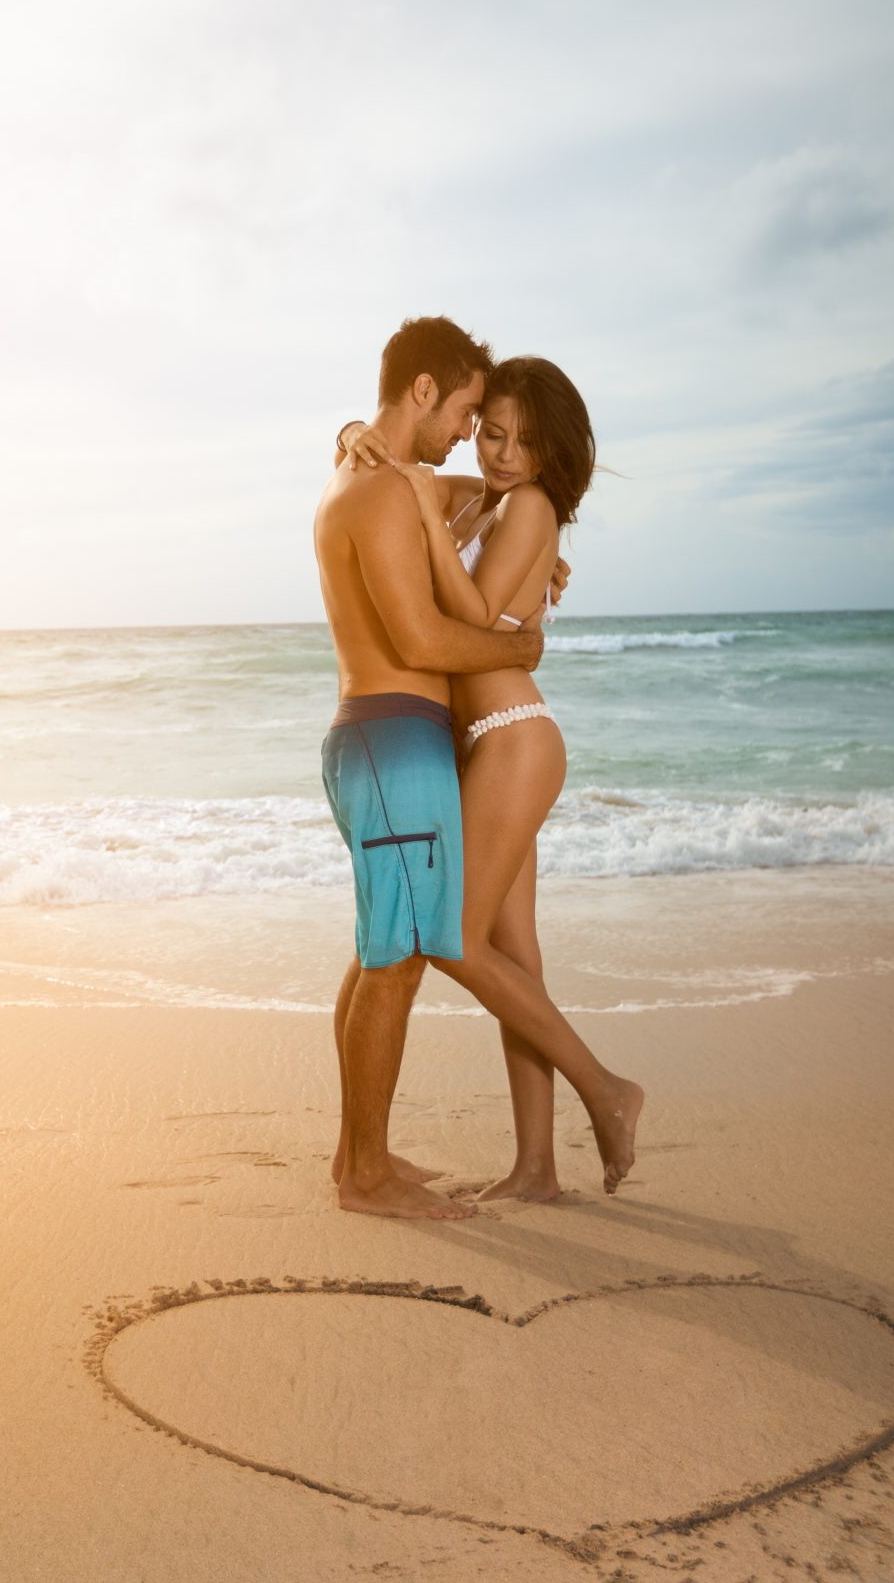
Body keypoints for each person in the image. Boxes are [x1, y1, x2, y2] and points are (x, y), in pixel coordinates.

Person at [338, 355, 645, 1197]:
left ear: (550, 453)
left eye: (521, 441)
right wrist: (352, 435)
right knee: (514, 954)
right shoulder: (485, 499)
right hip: (487, 742)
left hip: (512, 735)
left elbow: (466, 617)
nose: (502, 452)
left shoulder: (529, 504)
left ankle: (608, 1090)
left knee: (457, 939)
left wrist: (448, 532)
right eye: (492, 433)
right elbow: (390, 485)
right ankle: (537, 1167)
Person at [313, 317, 559, 1220]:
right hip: (392, 737)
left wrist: (534, 544)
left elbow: (486, 495)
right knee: (398, 960)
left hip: (387, 739)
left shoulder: (374, 476)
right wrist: (517, 641)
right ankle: (366, 1176)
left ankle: (357, 1155)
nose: (468, 432)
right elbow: (420, 636)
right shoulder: (377, 494)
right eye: (463, 410)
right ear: (423, 389)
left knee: (386, 951)